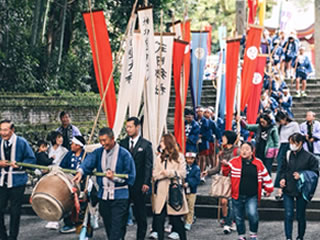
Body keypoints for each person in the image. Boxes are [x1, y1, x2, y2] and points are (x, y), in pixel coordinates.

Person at [73, 127, 136, 240]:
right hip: (103, 197)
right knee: (109, 226)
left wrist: (115, 177)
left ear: (112, 139)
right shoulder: (98, 152)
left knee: (117, 228)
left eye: (105, 140)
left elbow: (130, 176)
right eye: (100, 140)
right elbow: (88, 162)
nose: (102, 144)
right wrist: (81, 172)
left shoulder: (124, 154)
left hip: (120, 198)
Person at [222, 142, 274, 240]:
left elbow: (265, 175)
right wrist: (225, 166)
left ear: (252, 151)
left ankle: (253, 233)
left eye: (247, 149)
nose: (244, 151)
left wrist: (268, 188)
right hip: (237, 194)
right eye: (242, 149)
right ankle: (241, 235)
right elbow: (225, 173)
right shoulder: (234, 161)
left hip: (252, 195)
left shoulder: (258, 163)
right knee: (238, 216)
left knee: (252, 214)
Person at [0, 120, 36, 240]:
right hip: (2, 180)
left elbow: (31, 159)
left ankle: (12, 237)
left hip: (17, 181)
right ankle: (2, 235)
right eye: (1, 130)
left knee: (15, 211)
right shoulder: (0, 142)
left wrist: (20, 165)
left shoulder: (21, 142)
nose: (2, 133)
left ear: (12, 130)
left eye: (5, 130)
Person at [279, 133, 319, 240]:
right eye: (290, 143)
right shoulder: (288, 154)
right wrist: (282, 179)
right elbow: (283, 169)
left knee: (300, 215)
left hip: (302, 189)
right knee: (288, 214)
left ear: (300, 143)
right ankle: (288, 237)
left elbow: (315, 173)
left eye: (293, 143)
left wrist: (302, 175)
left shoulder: (310, 157)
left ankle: (300, 236)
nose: (291, 145)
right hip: (288, 187)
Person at [119, 117, 153, 240]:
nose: (128, 129)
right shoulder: (122, 143)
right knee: (122, 215)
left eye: (130, 127)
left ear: (137, 127)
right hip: (124, 184)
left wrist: (146, 182)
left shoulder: (146, 144)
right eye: (126, 127)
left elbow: (148, 165)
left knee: (140, 215)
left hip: (139, 184)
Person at [203, 130, 239, 234]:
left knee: (231, 202)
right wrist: (208, 172)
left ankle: (229, 222)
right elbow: (218, 167)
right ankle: (226, 218)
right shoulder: (222, 153)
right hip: (224, 179)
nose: (222, 139)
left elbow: (239, 164)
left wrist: (229, 164)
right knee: (223, 201)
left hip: (234, 178)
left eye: (224, 138)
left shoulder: (237, 151)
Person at [153, 134, 188, 240]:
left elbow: (182, 173)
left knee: (176, 219)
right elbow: (155, 174)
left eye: (163, 142)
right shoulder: (159, 158)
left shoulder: (179, 157)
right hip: (161, 191)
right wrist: (164, 174)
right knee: (159, 219)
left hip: (174, 191)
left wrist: (167, 173)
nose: (161, 144)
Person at [59, 135, 86, 233]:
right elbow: (62, 166)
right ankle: (68, 223)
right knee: (68, 202)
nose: (71, 145)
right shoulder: (69, 155)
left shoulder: (85, 154)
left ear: (79, 146)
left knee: (83, 203)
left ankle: (81, 223)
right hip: (70, 182)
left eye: (73, 144)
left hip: (83, 183)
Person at [45, 131, 68, 230]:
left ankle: (56, 220)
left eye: (61, 137)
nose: (61, 139)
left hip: (59, 174)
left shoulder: (64, 151)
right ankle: (51, 219)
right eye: (59, 137)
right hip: (48, 174)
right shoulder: (47, 149)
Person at [274, 111, 301, 200]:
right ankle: (279, 189)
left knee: (291, 168)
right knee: (280, 167)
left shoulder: (294, 125)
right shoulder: (280, 126)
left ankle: (292, 188)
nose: (280, 122)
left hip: (291, 145)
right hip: (282, 146)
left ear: (285, 118)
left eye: (280, 120)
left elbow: (298, 136)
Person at [184, 152, 200, 231]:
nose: (189, 160)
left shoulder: (196, 168)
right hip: (184, 190)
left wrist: (189, 182)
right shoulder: (184, 167)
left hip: (192, 190)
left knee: (190, 206)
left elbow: (197, 180)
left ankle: (189, 221)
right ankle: (185, 219)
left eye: (191, 159)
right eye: (188, 158)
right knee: (184, 206)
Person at [195, 107, 211, 183]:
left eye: (201, 111)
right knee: (197, 158)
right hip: (196, 141)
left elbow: (208, 132)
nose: (199, 113)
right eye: (198, 111)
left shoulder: (206, 121)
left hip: (203, 141)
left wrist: (202, 135)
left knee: (203, 158)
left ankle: (202, 173)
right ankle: (197, 173)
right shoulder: (195, 120)